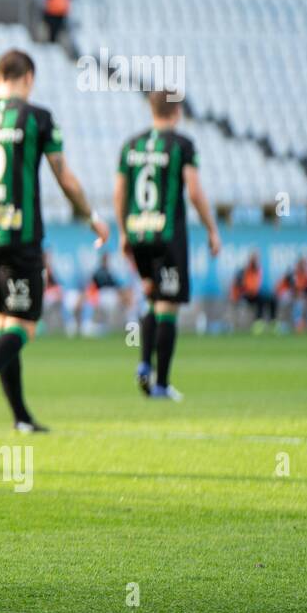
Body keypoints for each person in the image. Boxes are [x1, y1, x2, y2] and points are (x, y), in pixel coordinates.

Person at [0, 49, 110, 432]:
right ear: (28, 79)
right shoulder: (38, 118)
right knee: (24, 326)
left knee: (4, 322)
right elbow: (64, 178)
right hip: (18, 235)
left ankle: (21, 418)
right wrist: (91, 217)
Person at [116, 89, 221, 399]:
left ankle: (144, 365)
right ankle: (161, 383)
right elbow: (194, 192)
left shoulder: (130, 145)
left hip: (138, 233)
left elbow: (120, 193)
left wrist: (123, 232)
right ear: (177, 112)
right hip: (167, 234)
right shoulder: (182, 145)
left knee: (151, 297)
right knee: (168, 306)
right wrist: (212, 229)